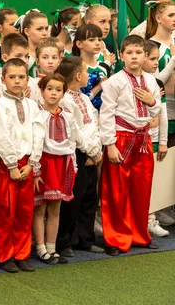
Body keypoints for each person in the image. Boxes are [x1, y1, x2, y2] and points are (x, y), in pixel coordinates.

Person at [100, 35, 162, 256]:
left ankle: (139, 234)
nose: (134, 57)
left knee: (141, 189)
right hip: (121, 137)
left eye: (138, 53)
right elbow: (106, 115)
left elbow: (156, 111)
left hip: (143, 139)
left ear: (145, 55)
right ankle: (116, 238)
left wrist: (151, 101)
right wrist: (110, 145)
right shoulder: (114, 82)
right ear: (121, 55)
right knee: (116, 191)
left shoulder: (151, 81)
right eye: (130, 53)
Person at [0, 58, 43, 273]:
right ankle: (5, 255)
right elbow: (1, 135)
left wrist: (33, 163)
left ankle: (22, 253)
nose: (17, 81)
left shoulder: (32, 105)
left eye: (21, 77)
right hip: (8, 165)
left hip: (28, 164)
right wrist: (12, 164)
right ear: (3, 80)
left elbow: (39, 132)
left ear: (27, 80)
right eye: (12, 77)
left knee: (25, 212)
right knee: (5, 211)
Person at [32, 74, 85, 265]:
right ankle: (40, 248)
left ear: (63, 93)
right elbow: (35, 143)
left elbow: (72, 142)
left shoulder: (68, 116)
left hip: (62, 164)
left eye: (58, 90)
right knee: (40, 208)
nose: (53, 93)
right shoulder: (37, 115)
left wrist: (73, 166)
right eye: (50, 89)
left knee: (56, 208)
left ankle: (52, 248)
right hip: (45, 163)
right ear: (42, 91)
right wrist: (36, 170)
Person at [55, 56, 104, 256]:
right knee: (73, 198)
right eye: (85, 71)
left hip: (92, 152)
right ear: (77, 75)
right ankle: (66, 241)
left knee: (89, 196)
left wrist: (97, 150)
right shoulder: (65, 100)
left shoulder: (83, 98)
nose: (87, 75)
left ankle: (85, 238)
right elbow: (73, 130)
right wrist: (90, 151)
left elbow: (93, 122)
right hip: (77, 152)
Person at [140, 40, 170, 237]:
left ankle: (151, 218)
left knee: (152, 182)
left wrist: (164, 142)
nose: (156, 62)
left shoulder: (157, 83)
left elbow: (163, 114)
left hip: (154, 139)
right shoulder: (128, 81)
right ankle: (141, 220)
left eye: (157, 58)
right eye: (152, 58)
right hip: (137, 139)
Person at [145, 1, 175, 149]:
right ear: (158, 18)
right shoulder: (152, 46)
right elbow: (156, 82)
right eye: (171, 15)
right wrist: (174, 59)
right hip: (165, 109)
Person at [72, 24, 111, 111]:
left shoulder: (103, 67)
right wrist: (99, 87)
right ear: (79, 44)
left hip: (103, 115)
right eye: (91, 40)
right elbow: (76, 98)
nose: (97, 43)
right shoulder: (74, 67)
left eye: (99, 40)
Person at [0, 33, 34, 101]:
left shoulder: (33, 83)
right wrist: (20, 99)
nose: (24, 60)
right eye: (18, 56)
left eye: (26, 56)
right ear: (5, 57)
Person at [15, 10, 49, 77]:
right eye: (39, 29)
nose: (45, 33)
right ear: (27, 31)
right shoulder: (20, 56)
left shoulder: (52, 54)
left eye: (46, 28)